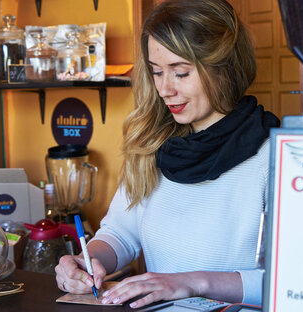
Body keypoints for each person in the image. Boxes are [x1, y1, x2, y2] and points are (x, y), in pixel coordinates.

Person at [54, 0, 280, 308]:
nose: (164, 89)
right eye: (157, 72)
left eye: (181, 73)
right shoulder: (152, 146)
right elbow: (121, 233)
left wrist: (191, 283)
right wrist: (88, 260)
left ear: (224, 67)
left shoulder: (276, 158)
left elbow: (295, 278)